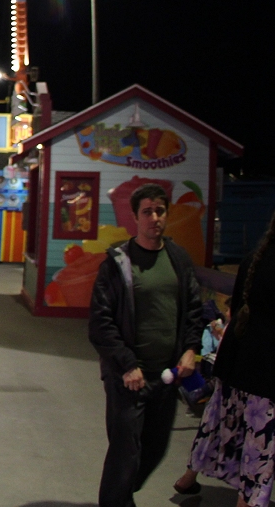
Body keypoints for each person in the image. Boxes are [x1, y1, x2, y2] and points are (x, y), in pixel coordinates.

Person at [89, 183, 204, 507]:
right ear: (136, 217)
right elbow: (100, 323)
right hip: (128, 380)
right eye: (148, 212)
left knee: (154, 450)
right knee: (125, 454)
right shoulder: (118, 263)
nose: (155, 218)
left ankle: (123, 491)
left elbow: (193, 310)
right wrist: (126, 364)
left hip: (167, 377)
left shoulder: (179, 258)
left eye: (160, 211)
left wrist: (190, 349)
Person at [179, 210, 275, 507]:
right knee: (261, 442)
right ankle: (245, 501)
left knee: (220, 422)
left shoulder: (255, 258)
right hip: (266, 368)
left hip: (235, 357)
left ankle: (188, 477)